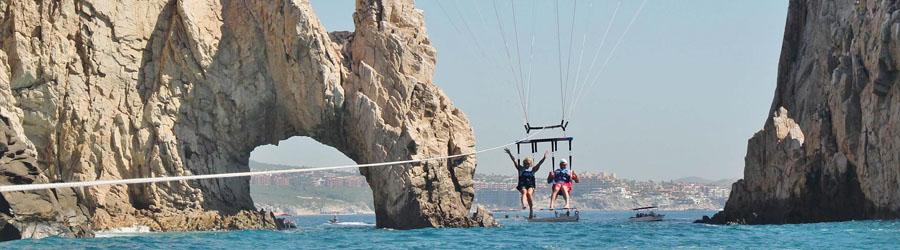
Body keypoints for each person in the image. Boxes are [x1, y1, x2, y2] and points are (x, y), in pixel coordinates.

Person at [504, 148, 548, 218]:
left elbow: (540, 163)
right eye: (525, 163)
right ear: (523, 163)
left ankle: (531, 210)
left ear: (530, 164)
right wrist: (510, 153)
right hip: (522, 184)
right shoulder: (520, 168)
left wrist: (544, 157)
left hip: (530, 184)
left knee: (529, 193)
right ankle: (524, 204)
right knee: (524, 192)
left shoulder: (533, 169)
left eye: (528, 163)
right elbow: (514, 160)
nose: (526, 165)